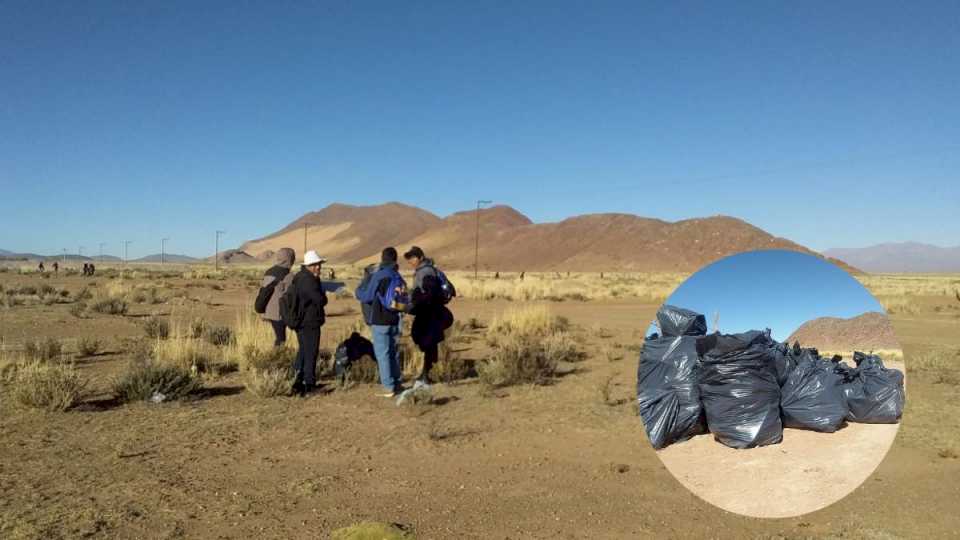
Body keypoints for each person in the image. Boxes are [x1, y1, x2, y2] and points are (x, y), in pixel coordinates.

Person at [356, 247, 406, 397]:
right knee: (393, 353)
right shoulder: (398, 276)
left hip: (380, 320)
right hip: (395, 319)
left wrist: (358, 290)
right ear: (395, 259)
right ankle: (397, 383)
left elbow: (367, 296)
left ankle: (388, 387)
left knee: (382, 354)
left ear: (382, 258)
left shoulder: (380, 275)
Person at [403, 246, 454, 387]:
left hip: (430, 313)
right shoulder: (423, 270)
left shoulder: (426, 271)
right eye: (409, 259)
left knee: (428, 342)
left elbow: (428, 293)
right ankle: (428, 373)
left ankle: (428, 375)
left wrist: (414, 304)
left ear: (420, 257)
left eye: (412, 258)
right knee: (428, 342)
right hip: (429, 312)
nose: (411, 262)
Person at [291, 250, 328, 396]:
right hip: (309, 322)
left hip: (303, 321)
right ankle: (310, 386)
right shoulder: (308, 280)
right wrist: (323, 297)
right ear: (309, 266)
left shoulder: (300, 277)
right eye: (315, 264)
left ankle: (297, 382)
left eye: (319, 264)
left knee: (304, 351)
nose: (318, 267)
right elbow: (320, 300)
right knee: (311, 352)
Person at [257, 248, 296, 346]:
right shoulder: (288, 275)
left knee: (278, 337)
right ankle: (277, 357)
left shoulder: (269, 271)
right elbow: (290, 295)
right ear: (290, 259)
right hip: (279, 314)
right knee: (281, 339)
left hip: (267, 311)